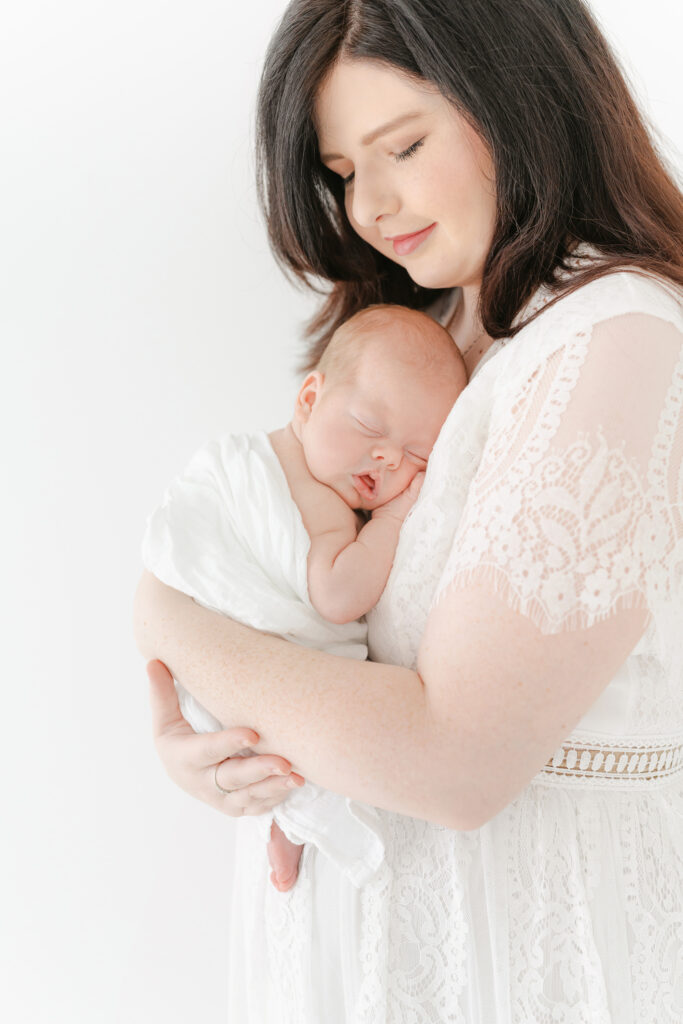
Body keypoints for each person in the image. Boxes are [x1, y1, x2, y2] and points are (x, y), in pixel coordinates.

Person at [133, 0, 683, 1020]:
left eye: (403, 146)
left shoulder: (612, 337)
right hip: (371, 959)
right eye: (344, 173)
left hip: (518, 966)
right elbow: (283, 584)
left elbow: (457, 760)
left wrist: (168, 621)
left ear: (521, 103)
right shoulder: (422, 338)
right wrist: (203, 744)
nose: (371, 205)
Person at [141, 303, 466, 893]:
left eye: (418, 458)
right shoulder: (321, 503)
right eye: (370, 427)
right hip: (237, 670)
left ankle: (290, 829)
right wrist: (393, 518)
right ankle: (294, 828)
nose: (389, 457)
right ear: (309, 399)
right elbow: (339, 596)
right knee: (302, 771)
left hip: (213, 676)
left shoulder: (277, 457)